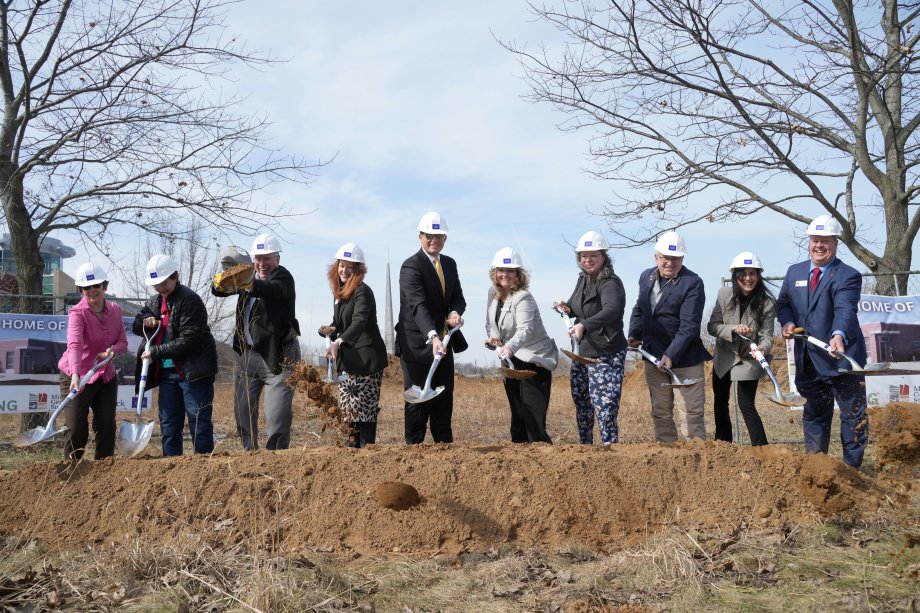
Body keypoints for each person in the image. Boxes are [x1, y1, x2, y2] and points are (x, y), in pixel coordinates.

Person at [776, 215, 868, 467]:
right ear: (809, 241)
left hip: (840, 358)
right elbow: (783, 304)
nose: (819, 245)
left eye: (825, 241)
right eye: (815, 240)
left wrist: (838, 334)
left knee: (852, 417)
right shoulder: (794, 271)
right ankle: (818, 468)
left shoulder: (847, 275)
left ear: (835, 243)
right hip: (808, 360)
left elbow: (845, 309)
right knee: (815, 414)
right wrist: (787, 323)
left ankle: (852, 471)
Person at [213, 234, 300, 451]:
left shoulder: (283, 277)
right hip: (247, 357)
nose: (262, 264)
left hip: (277, 356)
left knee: (276, 415)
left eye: (267, 258)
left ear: (277, 259)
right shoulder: (246, 277)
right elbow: (218, 291)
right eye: (258, 259)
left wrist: (248, 282)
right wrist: (225, 277)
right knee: (242, 411)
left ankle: (276, 458)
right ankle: (250, 454)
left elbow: (273, 290)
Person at [627, 230, 711, 443]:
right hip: (654, 356)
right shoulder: (646, 277)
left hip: (685, 358)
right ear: (656, 257)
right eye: (665, 258)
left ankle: (696, 456)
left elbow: (689, 326)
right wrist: (633, 335)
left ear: (682, 258)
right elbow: (640, 308)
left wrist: (671, 354)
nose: (669, 263)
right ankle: (667, 453)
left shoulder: (692, 282)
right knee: (661, 411)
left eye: (675, 259)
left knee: (691, 412)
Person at [133, 254, 218, 456]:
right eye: (156, 285)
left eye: (163, 283)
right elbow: (137, 324)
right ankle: (171, 465)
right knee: (169, 423)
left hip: (193, 372)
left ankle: (203, 466)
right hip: (167, 374)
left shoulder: (190, 300)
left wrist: (156, 351)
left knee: (199, 422)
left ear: (175, 276)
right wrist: (145, 319)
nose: (160, 288)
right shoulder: (155, 301)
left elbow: (190, 339)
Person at [395, 211, 468, 444]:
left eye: (440, 236)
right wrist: (433, 335)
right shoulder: (410, 267)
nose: (435, 240)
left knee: (443, 403)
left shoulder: (449, 264)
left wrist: (455, 313)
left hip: (443, 344)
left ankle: (444, 451)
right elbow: (418, 306)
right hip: (417, 345)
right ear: (420, 236)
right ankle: (414, 451)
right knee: (418, 405)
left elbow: (458, 297)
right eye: (430, 235)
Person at [553, 232, 627, 445]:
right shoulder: (583, 279)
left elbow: (611, 310)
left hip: (605, 353)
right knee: (582, 403)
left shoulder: (610, 282)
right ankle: (585, 447)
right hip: (582, 352)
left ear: (603, 256)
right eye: (584, 256)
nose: (588, 260)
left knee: (604, 406)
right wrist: (565, 307)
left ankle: (609, 447)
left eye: (593, 255)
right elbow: (577, 306)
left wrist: (584, 325)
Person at [57, 262, 128, 460]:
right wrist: (76, 374)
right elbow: (75, 345)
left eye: (96, 285)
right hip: (77, 375)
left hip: (105, 375)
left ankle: (103, 471)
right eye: (87, 287)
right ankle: (74, 470)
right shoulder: (77, 313)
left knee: (106, 424)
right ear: (81, 290)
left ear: (104, 286)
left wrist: (113, 351)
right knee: (75, 428)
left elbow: (123, 342)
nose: (92, 291)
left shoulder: (115, 310)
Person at [319, 243, 388, 448]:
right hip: (349, 361)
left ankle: (367, 453)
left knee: (364, 412)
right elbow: (339, 323)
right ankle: (352, 453)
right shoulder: (339, 293)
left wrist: (338, 341)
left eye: (350, 267)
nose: (344, 270)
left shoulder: (362, 292)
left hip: (367, 360)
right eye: (342, 265)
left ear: (358, 270)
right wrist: (330, 329)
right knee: (348, 411)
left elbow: (359, 322)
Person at [486, 247, 557, 443]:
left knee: (533, 422)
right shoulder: (493, 294)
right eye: (501, 270)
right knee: (518, 417)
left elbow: (524, 330)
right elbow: (491, 324)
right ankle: (519, 464)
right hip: (511, 363)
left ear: (518, 274)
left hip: (534, 362)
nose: (505, 275)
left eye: (510, 270)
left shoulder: (523, 297)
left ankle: (544, 462)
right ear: (494, 272)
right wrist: (494, 339)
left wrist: (508, 347)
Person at [707, 252, 776, 446]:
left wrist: (761, 349)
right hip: (725, 356)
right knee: (720, 402)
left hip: (749, 357)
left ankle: (761, 448)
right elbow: (712, 326)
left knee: (746, 404)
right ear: (735, 276)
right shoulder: (724, 295)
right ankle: (723, 445)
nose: (748, 278)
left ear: (758, 275)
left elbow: (767, 335)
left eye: (752, 273)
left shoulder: (767, 303)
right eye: (743, 274)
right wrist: (733, 329)